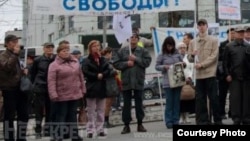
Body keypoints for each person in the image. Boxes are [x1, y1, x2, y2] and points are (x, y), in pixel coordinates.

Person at [113, 33, 152, 134]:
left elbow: (147, 62)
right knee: (126, 104)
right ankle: (126, 125)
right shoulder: (122, 51)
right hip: (126, 81)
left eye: (135, 37)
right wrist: (126, 64)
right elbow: (116, 63)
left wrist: (136, 59)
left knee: (139, 103)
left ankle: (140, 123)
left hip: (138, 80)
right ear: (128, 39)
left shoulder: (143, 51)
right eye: (131, 37)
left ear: (138, 40)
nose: (133, 39)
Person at [48, 40, 85, 141]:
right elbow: (51, 81)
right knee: (61, 115)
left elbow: (80, 76)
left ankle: (74, 134)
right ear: (59, 52)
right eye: (63, 51)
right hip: (61, 94)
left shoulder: (75, 62)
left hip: (74, 93)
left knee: (72, 115)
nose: (66, 52)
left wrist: (83, 89)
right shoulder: (54, 65)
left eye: (67, 50)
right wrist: (53, 94)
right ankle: (58, 135)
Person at [187, 19, 222, 125]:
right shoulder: (193, 42)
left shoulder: (214, 40)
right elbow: (189, 58)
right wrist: (192, 55)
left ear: (207, 26)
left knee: (214, 98)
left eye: (203, 25)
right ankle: (203, 120)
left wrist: (202, 64)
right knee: (200, 99)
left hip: (210, 73)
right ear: (197, 27)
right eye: (199, 25)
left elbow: (214, 56)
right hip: (198, 75)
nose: (201, 27)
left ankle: (217, 120)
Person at [0, 34, 29, 141]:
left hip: (20, 89)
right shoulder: (3, 55)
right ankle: (9, 138)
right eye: (14, 41)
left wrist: (22, 71)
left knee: (24, 115)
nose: (17, 43)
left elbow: (14, 71)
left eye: (17, 41)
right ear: (7, 44)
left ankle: (21, 137)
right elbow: (7, 67)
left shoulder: (16, 56)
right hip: (9, 89)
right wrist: (15, 54)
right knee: (9, 116)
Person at [82, 40, 111, 138]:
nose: (96, 48)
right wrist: (95, 75)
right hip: (91, 87)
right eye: (94, 46)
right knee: (90, 111)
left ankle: (100, 129)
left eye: (98, 46)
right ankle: (90, 130)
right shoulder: (87, 60)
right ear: (90, 48)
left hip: (102, 87)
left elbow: (108, 70)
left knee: (101, 110)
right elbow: (85, 71)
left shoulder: (103, 59)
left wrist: (102, 74)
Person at [155, 36, 185, 128]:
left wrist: (184, 64)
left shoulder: (177, 54)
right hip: (167, 82)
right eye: (168, 46)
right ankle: (168, 121)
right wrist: (164, 67)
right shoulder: (161, 55)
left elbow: (184, 64)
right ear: (165, 45)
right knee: (169, 102)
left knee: (176, 102)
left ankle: (176, 120)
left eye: (171, 46)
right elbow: (156, 66)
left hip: (178, 80)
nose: (170, 48)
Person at [223, 26, 250, 125]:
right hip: (234, 77)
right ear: (235, 33)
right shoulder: (229, 46)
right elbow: (225, 63)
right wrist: (227, 74)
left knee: (246, 99)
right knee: (235, 99)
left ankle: (246, 118)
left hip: (247, 77)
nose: (241, 34)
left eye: (243, 32)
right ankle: (236, 118)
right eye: (239, 32)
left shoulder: (248, 46)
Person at [30, 42, 56, 138]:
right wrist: (34, 85)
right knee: (39, 110)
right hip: (40, 87)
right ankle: (38, 130)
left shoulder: (55, 59)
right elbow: (33, 74)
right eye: (47, 47)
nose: (49, 49)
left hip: (51, 87)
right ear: (44, 49)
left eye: (51, 48)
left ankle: (48, 129)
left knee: (50, 109)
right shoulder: (38, 60)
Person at [217, 28, 235, 119]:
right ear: (227, 34)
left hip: (234, 74)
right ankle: (221, 112)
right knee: (222, 95)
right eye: (230, 33)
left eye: (233, 33)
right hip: (223, 74)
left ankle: (232, 112)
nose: (232, 35)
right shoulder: (222, 45)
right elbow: (219, 58)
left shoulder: (237, 45)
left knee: (234, 95)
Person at [101, 47, 120, 128]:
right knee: (107, 104)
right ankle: (105, 121)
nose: (111, 55)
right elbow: (106, 73)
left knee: (108, 104)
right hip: (108, 84)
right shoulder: (105, 62)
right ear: (108, 53)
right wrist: (115, 71)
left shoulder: (108, 62)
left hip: (110, 84)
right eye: (110, 53)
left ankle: (106, 121)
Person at [177, 42, 195, 124]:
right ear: (178, 49)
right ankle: (181, 116)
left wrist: (189, 77)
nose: (182, 49)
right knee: (180, 99)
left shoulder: (189, 57)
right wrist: (182, 79)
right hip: (179, 80)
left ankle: (187, 116)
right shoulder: (176, 57)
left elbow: (192, 68)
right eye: (180, 48)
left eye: (184, 47)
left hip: (188, 80)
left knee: (188, 98)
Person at [71, 50, 87, 126]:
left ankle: (82, 119)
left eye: (78, 54)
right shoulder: (73, 62)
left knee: (82, 104)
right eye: (75, 54)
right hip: (74, 85)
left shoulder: (83, 61)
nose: (77, 56)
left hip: (82, 83)